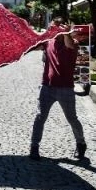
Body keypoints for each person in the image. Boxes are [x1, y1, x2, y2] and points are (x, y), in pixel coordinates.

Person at [30, 21, 87, 161]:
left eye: (57, 27)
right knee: (40, 117)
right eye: (52, 27)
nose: (54, 30)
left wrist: (66, 33)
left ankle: (81, 143)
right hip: (47, 87)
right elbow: (30, 45)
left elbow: (69, 45)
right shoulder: (48, 43)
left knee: (72, 118)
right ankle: (34, 147)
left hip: (65, 89)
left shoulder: (72, 43)